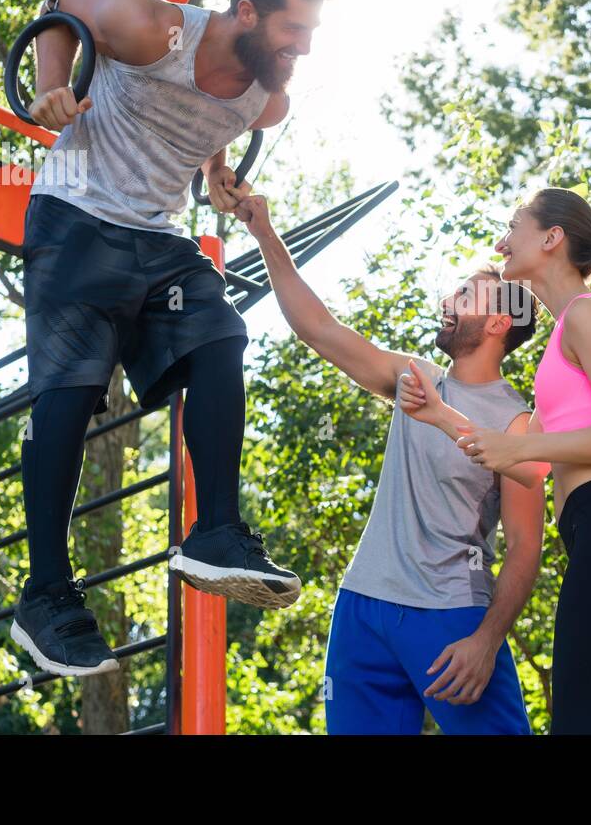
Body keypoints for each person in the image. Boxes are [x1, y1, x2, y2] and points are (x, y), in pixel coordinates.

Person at [12, 0, 333, 677]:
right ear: (245, 13)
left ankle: (216, 530)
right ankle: (46, 593)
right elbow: (61, 1)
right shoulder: (158, 31)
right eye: (293, 29)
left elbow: (213, 125)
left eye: (312, 32)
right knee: (68, 394)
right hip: (75, 214)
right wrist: (52, 86)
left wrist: (216, 175)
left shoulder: (269, 96)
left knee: (221, 335)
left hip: (156, 237)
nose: (303, 48)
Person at [233, 193, 544, 734]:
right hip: (362, 609)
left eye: (465, 296)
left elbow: (526, 547)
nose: (449, 300)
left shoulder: (519, 425)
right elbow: (319, 329)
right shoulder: (415, 378)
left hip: (450, 617)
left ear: (498, 322)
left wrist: (487, 639)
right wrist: (265, 234)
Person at [397, 187, 591, 734]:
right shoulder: (564, 338)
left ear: (552, 239)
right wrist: (441, 416)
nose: (501, 242)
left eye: (513, 227)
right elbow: (527, 468)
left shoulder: (587, 314)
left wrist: (527, 445)